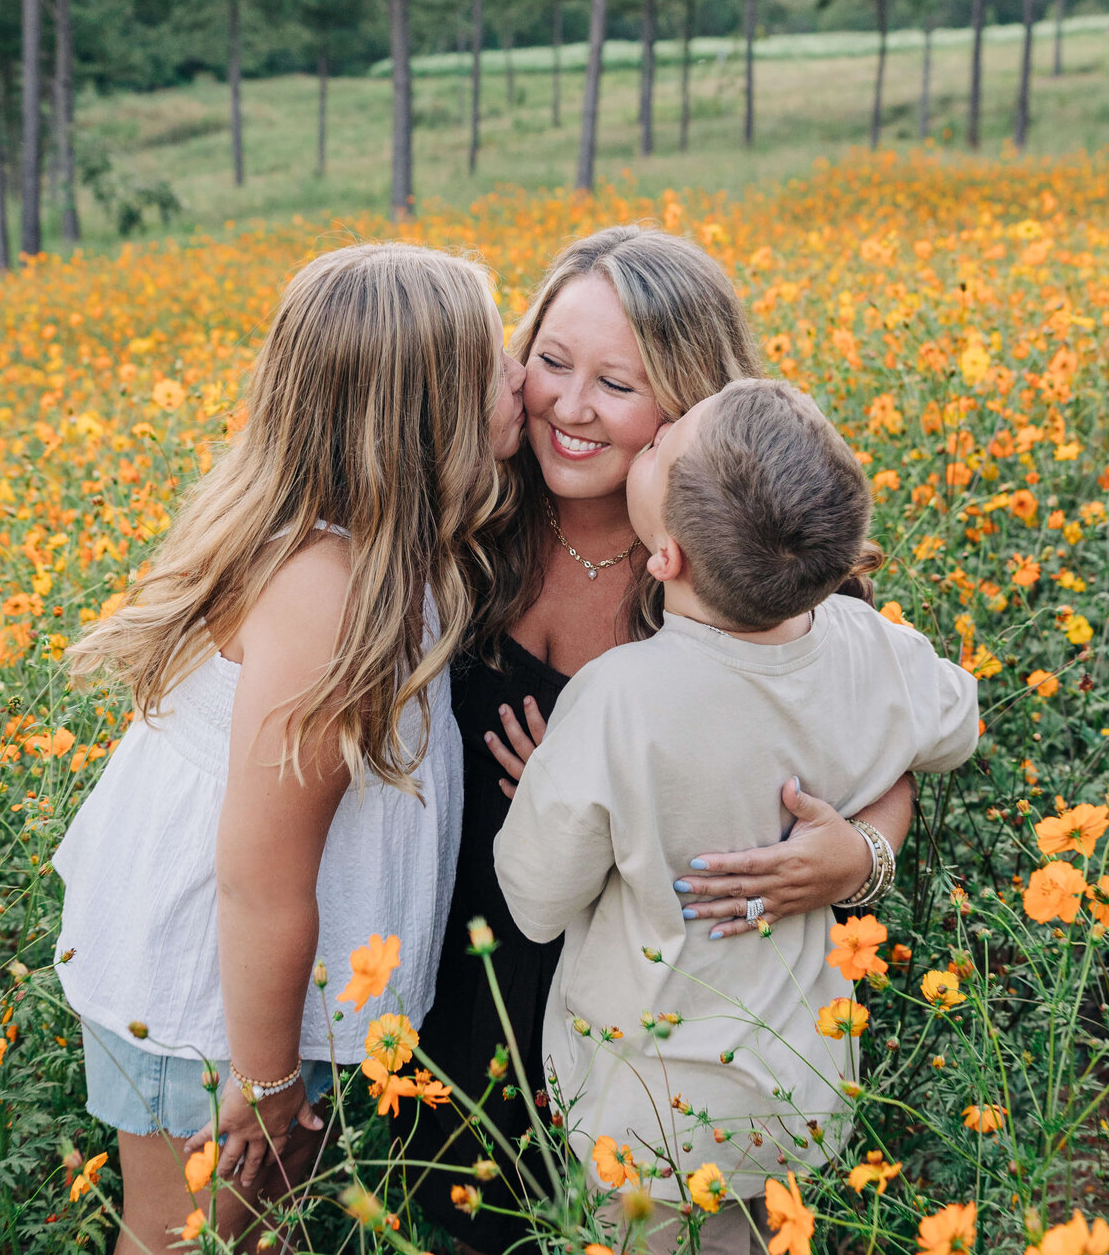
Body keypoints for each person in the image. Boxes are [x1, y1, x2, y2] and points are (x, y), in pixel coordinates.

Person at [412, 227, 916, 1253]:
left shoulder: (751, 565)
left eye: (618, 384)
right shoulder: (465, 526)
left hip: (670, 1023)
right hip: (464, 970)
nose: (571, 406)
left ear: (693, 405)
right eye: (551, 363)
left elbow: (888, 744)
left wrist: (855, 856)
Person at [52, 244, 527, 1255]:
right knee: (194, 1237)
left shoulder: (388, 546)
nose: (523, 377)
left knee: (242, 1233)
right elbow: (259, 880)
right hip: (213, 995)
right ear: (430, 408)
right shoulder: (328, 592)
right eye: (499, 360)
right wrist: (265, 1082)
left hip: (248, 988)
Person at [495, 379, 979, 1255]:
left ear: (666, 559)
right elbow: (959, 723)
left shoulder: (617, 700)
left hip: (644, 1112)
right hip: (796, 1090)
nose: (661, 428)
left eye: (666, 442)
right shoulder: (870, 645)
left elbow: (532, 900)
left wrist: (552, 787)